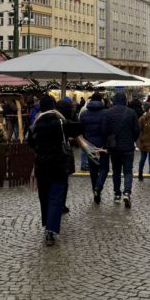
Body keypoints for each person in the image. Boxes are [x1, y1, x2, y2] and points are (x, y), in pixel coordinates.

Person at [28, 94, 97, 244]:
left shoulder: (36, 124)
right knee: (55, 197)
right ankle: (50, 231)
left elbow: (30, 142)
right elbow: (79, 128)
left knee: (44, 198)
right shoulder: (60, 122)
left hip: (41, 166)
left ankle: (47, 225)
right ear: (53, 107)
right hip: (58, 165)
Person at [102, 91, 140, 207]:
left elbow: (104, 130)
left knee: (116, 171)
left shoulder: (108, 113)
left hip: (114, 148)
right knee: (128, 171)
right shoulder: (131, 112)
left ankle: (117, 193)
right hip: (128, 146)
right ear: (125, 100)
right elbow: (137, 130)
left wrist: (108, 140)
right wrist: (132, 139)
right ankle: (127, 192)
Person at [80, 91, 109, 203]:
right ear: (101, 100)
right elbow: (107, 130)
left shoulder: (84, 114)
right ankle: (98, 187)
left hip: (89, 145)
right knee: (104, 168)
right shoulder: (106, 113)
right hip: (102, 145)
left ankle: (95, 191)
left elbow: (81, 130)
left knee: (93, 169)